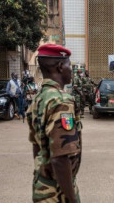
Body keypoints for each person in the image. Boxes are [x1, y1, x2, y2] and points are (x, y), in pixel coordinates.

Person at [27, 43, 82, 202]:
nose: (71, 70)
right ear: (60, 67)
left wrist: (42, 172)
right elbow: (60, 157)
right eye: (68, 65)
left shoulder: (39, 98)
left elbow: (36, 145)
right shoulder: (60, 101)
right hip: (58, 192)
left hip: (42, 185)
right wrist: (71, 199)